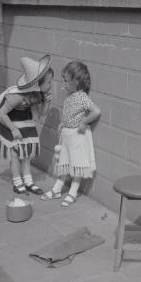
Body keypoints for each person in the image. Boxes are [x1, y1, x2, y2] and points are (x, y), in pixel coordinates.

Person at [0, 55, 53, 195]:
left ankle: (28, 182)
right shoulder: (17, 96)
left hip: (26, 125)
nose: (51, 85)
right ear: (37, 84)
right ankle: (17, 183)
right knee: (15, 155)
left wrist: (47, 102)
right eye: (49, 82)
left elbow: (42, 113)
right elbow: (2, 113)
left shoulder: (37, 95)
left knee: (26, 154)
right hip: (10, 125)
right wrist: (13, 129)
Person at [41, 61, 101, 207]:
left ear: (77, 82)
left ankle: (73, 192)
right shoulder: (69, 97)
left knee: (77, 165)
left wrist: (84, 122)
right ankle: (57, 189)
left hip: (77, 137)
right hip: (67, 136)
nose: (64, 84)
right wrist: (63, 124)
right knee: (65, 163)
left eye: (66, 81)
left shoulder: (82, 97)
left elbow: (96, 111)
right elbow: (69, 115)